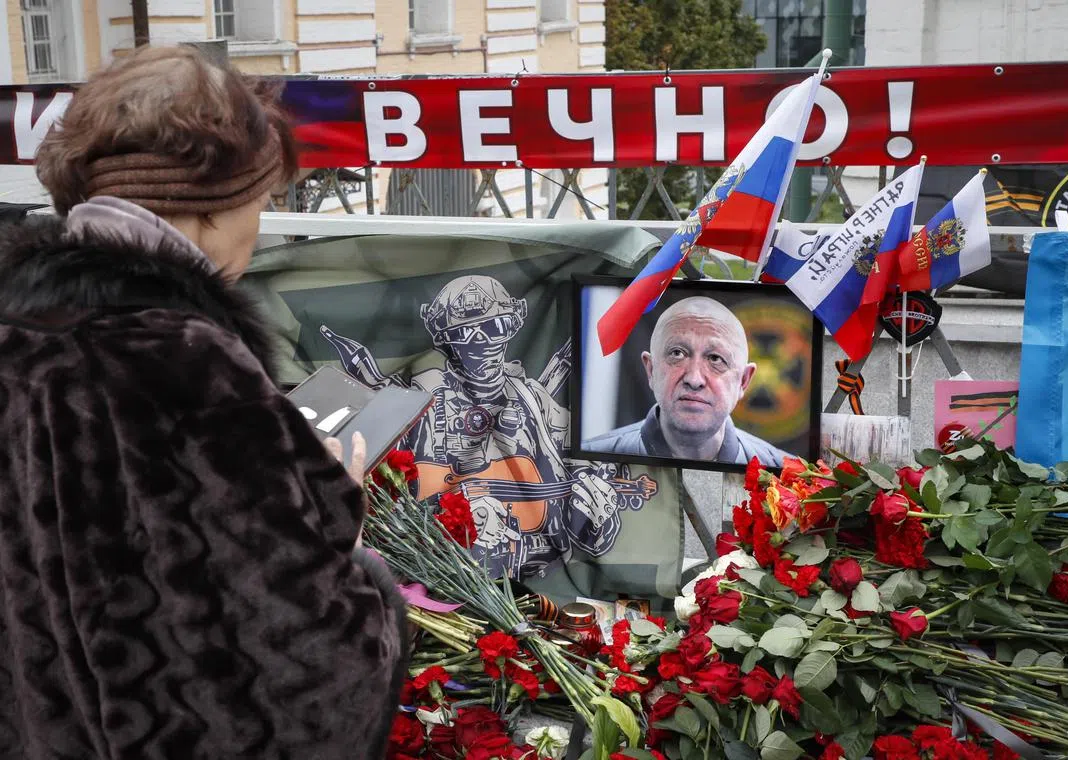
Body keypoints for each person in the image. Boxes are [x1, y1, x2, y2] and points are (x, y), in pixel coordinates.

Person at [0, 47, 407, 758]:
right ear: (217, 206)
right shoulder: (188, 366)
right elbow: (308, 683)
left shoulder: (17, 329)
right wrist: (338, 522)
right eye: (263, 198)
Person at [321, 275, 650, 579]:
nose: (482, 343)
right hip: (436, 581)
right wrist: (448, 519)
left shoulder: (534, 400)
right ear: (444, 339)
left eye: (496, 327)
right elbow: (376, 502)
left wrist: (597, 515)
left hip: (534, 583)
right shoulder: (417, 401)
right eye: (465, 332)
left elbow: (579, 501)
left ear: (512, 327)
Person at [585, 296, 791, 466]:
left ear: (744, 381)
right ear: (651, 369)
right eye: (677, 353)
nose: (694, 379)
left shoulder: (786, 477)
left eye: (715, 359)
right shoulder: (587, 463)